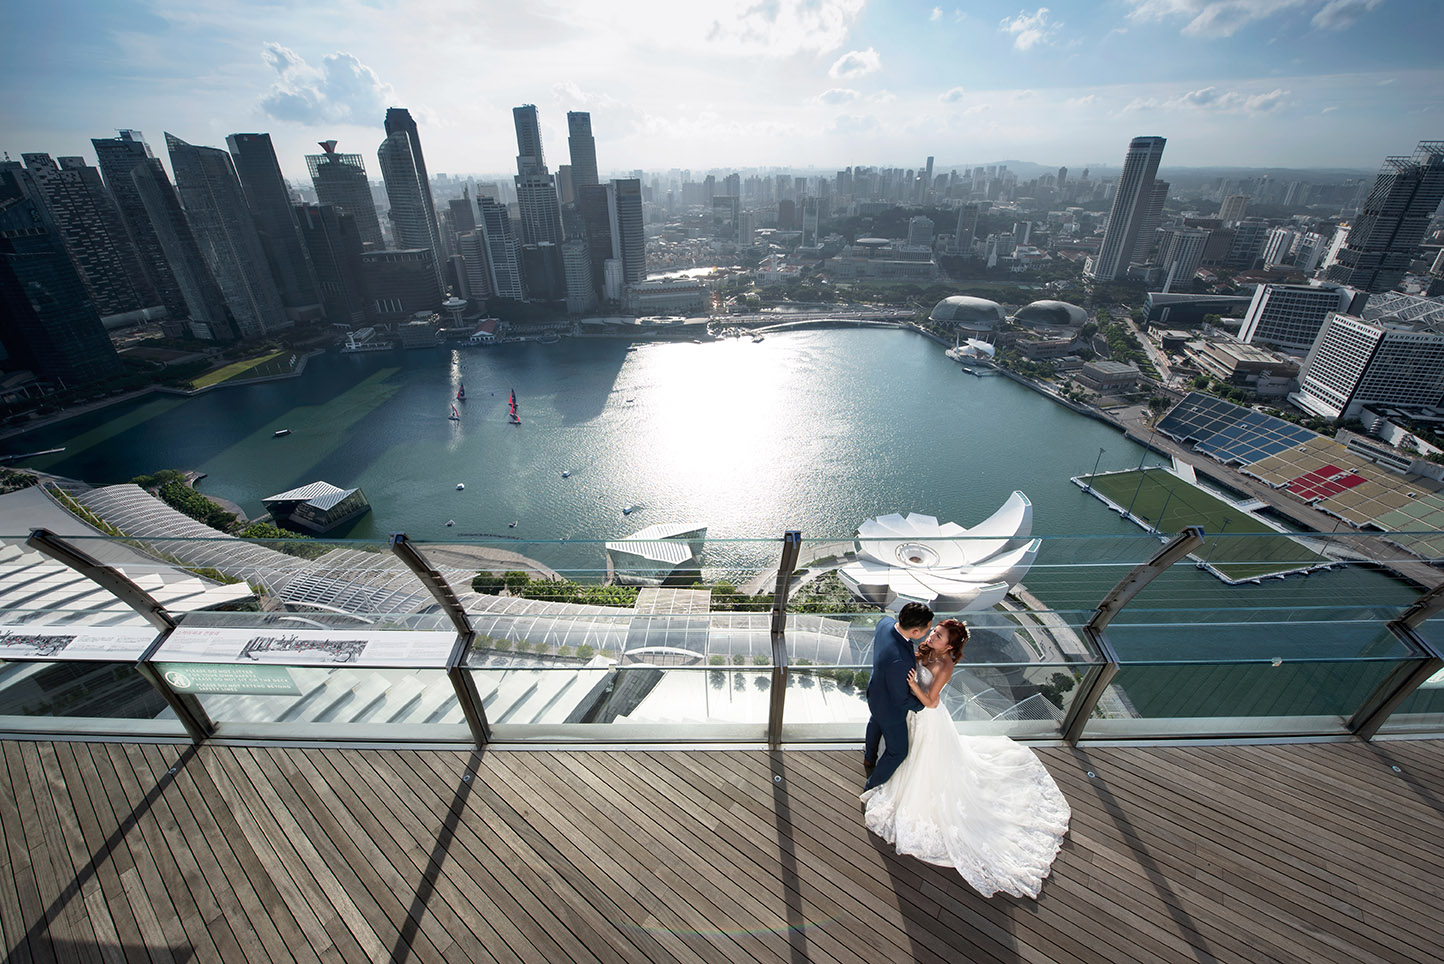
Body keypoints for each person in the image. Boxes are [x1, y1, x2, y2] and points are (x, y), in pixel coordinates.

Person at [860, 619, 1071, 899]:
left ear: (949, 646)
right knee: (905, 751)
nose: (932, 636)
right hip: (911, 714)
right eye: (933, 631)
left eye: (938, 636)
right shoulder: (925, 650)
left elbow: (932, 701)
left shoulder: (945, 665)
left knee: (923, 761)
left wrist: (911, 685)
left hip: (927, 717)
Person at [863, 602, 934, 791]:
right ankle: (871, 786)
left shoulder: (885, 623)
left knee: (874, 722)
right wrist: (920, 705)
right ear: (916, 632)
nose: (930, 630)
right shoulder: (900, 659)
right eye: (928, 627)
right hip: (890, 709)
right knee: (898, 751)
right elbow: (900, 699)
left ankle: (869, 758)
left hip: (875, 692)